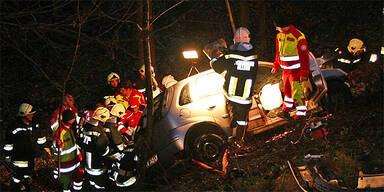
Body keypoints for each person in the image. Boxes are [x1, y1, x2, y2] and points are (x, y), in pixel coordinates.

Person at [210, 27, 259, 144]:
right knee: (243, 119)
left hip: (231, 92)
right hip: (245, 94)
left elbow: (217, 67)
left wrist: (213, 58)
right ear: (248, 39)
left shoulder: (231, 55)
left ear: (235, 39)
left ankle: (234, 119)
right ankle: (240, 140)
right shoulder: (254, 55)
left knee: (233, 109)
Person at [271, 15, 310, 120]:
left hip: (296, 71)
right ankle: (285, 111)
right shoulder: (279, 36)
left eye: (277, 26)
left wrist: (304, 73)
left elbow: (304, 56)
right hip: (286, 71)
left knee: (297, 92)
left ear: (283, 26)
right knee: (287, 91)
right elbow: (278, 53)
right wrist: (276, 64)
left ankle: (301, 114)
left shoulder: (298, 36)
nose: (276, 29)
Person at [3, 103, 48, 191]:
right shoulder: (13, 127)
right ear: (25, 114)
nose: (32, 115)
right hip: (18, 158)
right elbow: (8, 144)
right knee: (18, 177)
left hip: (30, 157)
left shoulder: (34, 125)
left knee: (28, 175)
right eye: (30, 114)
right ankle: (15, 188)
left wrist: (44, 148)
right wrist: (8, 156)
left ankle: (26, 187)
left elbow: (40, 138)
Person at [51, 110, 83, 192]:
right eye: (73, 118)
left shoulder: (69, 128)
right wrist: (57, 145)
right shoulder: (60, 132)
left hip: (74, 160)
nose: (74, 119)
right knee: (66, 183)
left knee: (78, 177)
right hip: (65, 163)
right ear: (69, 120)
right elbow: (55, 146)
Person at [81, 107, 111, 190]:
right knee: (98, 183)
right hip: (96, 162)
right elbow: (102, 150)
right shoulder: (99, 133)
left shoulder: (86, 126)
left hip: (86, 159)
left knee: (90, 179)